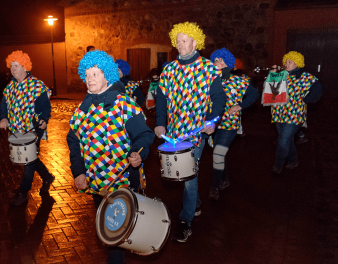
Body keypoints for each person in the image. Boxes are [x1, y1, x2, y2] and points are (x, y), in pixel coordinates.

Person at [67, 50, 154, 263]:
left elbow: (144, 135)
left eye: (95, 74)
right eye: (86, 75)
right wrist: (78, 171)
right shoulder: (82, 110)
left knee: (114, 235)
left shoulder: (124, 104)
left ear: (107, 75)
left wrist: (137, 153)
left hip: (122, 183)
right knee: (110, 231)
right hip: (98, 185)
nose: (89, 79)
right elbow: (74, 141)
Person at [154, 22, 226, 242]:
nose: (180, 45)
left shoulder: (209, 68)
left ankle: (185, 221)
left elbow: (219, 99)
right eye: (178, 41)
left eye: (184, 41)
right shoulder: (169, 69)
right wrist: (160, 122)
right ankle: (195, 204)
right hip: (175, 133)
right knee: (184, 176)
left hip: (196, 134)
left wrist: (212, 121)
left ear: (196, 42)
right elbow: (161, 98)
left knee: (188, 176)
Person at [0, 50, 55, 206]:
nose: (13, 69)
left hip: (33, 129)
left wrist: (44, 119)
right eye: (11, 66)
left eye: (16, 66)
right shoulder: (10, 87)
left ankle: (23, 192)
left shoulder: (36, 86)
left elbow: (45, 106)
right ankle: (47, 177)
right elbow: (4, 104)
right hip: (17, 129)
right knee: (30, 157)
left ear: (25, 67)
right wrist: (3, 117)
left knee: (28, 160)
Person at [208, 48, 258, 200]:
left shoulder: (240, 81)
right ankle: (225, 180)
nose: (218, 63)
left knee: (217, 154)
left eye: (221, 60)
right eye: (215, 60)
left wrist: (239, 106)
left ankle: (214, 187)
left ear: (228, 63)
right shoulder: (209, 81)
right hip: (212, 125)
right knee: (219, 155)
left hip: (229, 125)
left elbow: (254, 94)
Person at [270, 51, 323, 174]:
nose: (286, 64)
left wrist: (307, 99)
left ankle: (277, 165)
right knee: (287, 140)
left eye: (290, 62)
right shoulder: (281, 75)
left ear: (297, 64)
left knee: (282, 141)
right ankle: (293, 160)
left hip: (295, 115)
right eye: (286, 61)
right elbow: (271, 91)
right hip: (279, 113)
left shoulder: (304, 77)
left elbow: (319, 88)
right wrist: (272, 77)